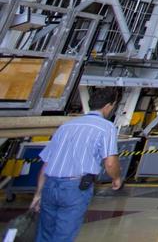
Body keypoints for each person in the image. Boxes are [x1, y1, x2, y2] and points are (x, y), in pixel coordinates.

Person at [32, 86, 124, 242]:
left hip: (50, 185)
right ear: (109, 106)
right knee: (64, 234)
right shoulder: (106, 127)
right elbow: (110, 163)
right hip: (74, 188)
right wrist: (116, 178)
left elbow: (46, 164)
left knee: (45, 234)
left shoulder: (66, 126)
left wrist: (38, 194)